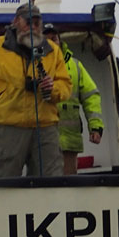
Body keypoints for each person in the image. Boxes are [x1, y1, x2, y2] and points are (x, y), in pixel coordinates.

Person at [0, 4, 71, 177]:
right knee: (5, 181)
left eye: (37, 23)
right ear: (15, 22)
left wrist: (52, 88)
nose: (33, 27)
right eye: (28, 22)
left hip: (45, 127)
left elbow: (65, 86)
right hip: (7, 127)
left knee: (52, 180)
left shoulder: (52, 50)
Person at [42, 23, 104, 175]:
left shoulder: (76, 66)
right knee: (45, 187)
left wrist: (95, 127)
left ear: (59, 40)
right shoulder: (34, 65)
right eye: (47, 39)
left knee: (68, 186)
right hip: (43, 142)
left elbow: (91, 96)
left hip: (70, 141)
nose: (52, 42)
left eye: (54, 38)